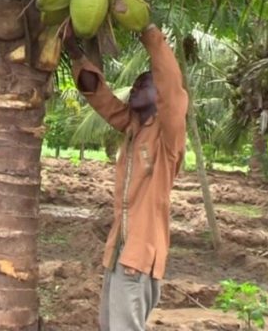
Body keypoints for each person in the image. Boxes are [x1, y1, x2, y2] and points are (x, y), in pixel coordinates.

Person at [64, 24, 188, 331]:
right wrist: (73, 51)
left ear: (159, 96)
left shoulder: (167, 137)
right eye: (134, 84)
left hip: (138, 258)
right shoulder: (133, 128)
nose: (134, 88)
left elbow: (173, 90)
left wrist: (148, 32)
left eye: (144, 83)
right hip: (120, 253)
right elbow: (101, 98)